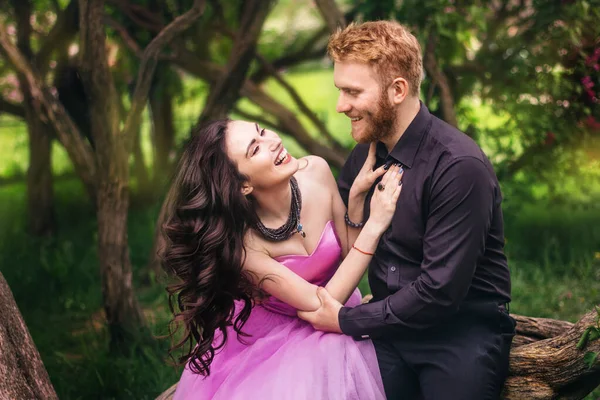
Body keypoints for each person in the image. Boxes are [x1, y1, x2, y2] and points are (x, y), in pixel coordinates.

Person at [298, 21, 516, 400]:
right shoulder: (361, 160)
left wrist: (346, 320)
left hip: (458, 334)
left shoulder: (458, 166)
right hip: (387, 331)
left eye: (352, 92)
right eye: (339, 90)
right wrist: (353, 205)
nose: (340, 105)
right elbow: (350, 253)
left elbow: (439, 293)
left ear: (397, 90)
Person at [160, 118, 404, 399]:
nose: (273, 141)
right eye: (255, 149)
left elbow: (350, 255)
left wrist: (357, 203)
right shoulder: (245, 247)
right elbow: (322, 310)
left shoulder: (317, 170)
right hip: (273, 336)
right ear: (243, 186)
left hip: (332, 307)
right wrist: (375, 226)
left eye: (262, 132)